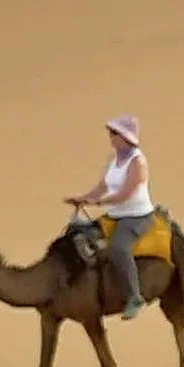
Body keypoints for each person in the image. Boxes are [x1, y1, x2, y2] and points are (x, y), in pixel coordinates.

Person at [63, 114, 154, 320]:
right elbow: (102, 187)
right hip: (114, 216)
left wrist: (98, 203)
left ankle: (134, 297)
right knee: (77, 234)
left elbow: (126, 193)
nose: (110, 138)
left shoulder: (137, 162)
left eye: (114, 134)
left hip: (136, 217)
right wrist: (83, 199)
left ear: (125, 136)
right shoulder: (114, 160)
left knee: (118, 248)